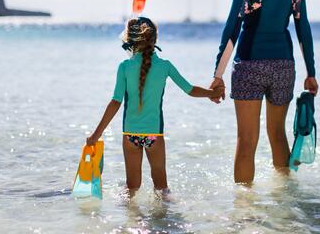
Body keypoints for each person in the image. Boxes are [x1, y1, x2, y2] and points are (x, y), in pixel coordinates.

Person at [210, 0, 319, 184]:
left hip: (249, 64)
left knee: (246, 141)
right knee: (278, 135)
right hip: (283, 66)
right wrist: (311, 73)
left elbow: (232, 29)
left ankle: (244, 212)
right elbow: (303, 29)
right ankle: (285, 202)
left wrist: (218, 74)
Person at [86, 17, 223, 196]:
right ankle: (164, 221)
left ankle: (130, 220)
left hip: (130, 135)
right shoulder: (164, 66)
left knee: (132, 188)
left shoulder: (125, 66)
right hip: (154, 135)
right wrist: (211, 93)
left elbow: (115, 102)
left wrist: (96, 135)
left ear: (129, 40)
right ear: (155, 39)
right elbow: (189, 90)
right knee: (162, 188)